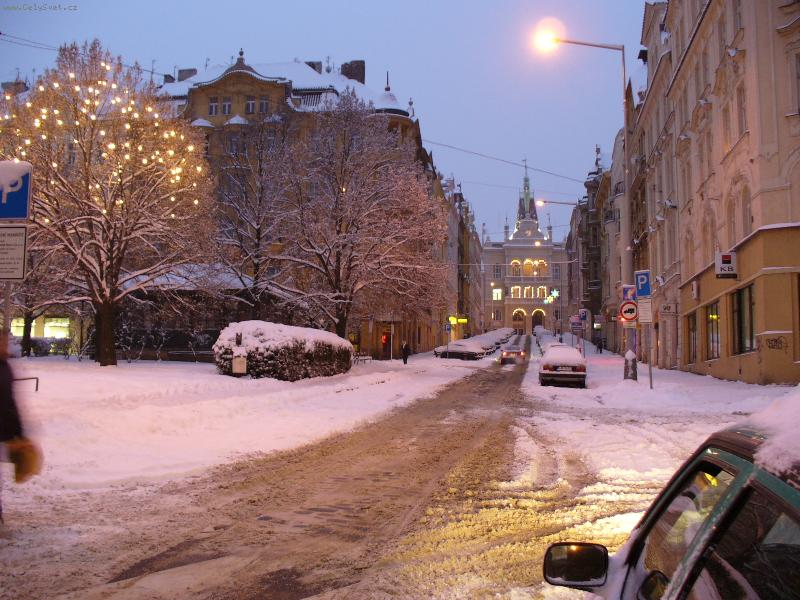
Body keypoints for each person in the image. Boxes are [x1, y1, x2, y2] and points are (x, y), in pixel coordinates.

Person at [0, 330, 25, 525]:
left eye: (5, 342)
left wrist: (18, 432)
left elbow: (10, 401)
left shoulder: (5, 366)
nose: (4, 346)